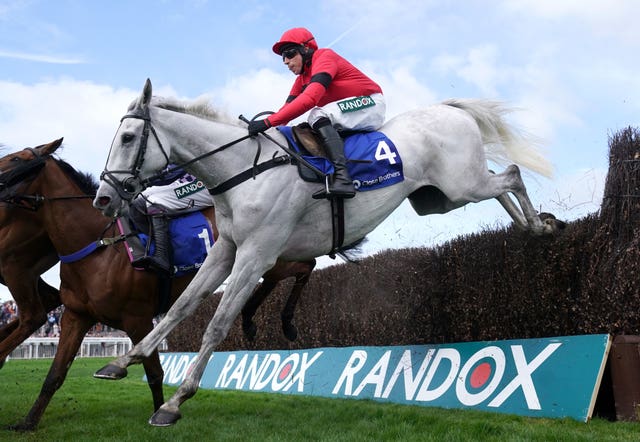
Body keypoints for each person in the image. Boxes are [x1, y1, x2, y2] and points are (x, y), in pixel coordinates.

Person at [247, 27, 386, 199]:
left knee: (317, 115)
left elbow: (311, 98)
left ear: (306, 49)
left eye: (289, 54)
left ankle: (343, 178)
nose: (285, 61)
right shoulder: (301, 79)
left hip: (371, 102)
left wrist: (268, 122)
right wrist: (267, 129)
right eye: (283, 57)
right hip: (348, 111)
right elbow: (286, 110)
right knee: (304, 126)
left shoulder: (324, 56)